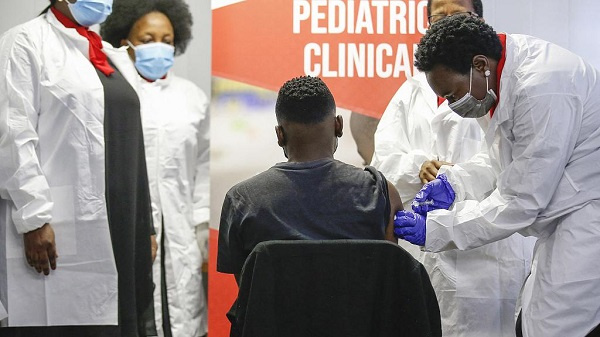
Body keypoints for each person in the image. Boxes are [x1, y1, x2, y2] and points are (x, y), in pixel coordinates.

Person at [395, 15, 600, 337]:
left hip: (588, 217)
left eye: (452, 94)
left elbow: (523, 198)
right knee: (535, 320)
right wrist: (455, 182)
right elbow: (502, 161)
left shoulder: (543, 88)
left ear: (479, 64)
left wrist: (437, 229)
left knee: (555, 327)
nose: (451, 106)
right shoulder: (499, 77)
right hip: (567, 216)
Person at [371, 1, 535, 336]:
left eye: (457, 15)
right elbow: (381, 164)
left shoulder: (500, 89)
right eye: (438, 16)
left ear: (478, 22)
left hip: (492, 250)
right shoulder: (410, 93)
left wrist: (458, 180)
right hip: (432, 250)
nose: (446, 23)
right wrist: (418, 167)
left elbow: (512, 171)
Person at [0, 0, 156, 336]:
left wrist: (148, 225)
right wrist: (33, 217)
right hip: (58, 221)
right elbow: (13, 134)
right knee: (66, 320)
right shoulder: (25, 42)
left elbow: (137, 145)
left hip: (123, 223)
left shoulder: (108, 55)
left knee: (119, 318)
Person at [101, 1, 208, 336]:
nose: (158, 47)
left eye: (166, 39)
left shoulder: (192, 97)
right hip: (128, 227)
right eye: (147, 39)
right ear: (124, 41)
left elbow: (202, 167)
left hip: (180, 230)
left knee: (180, 316)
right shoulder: (113, 95)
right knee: (136, 316)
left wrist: (202, 228)